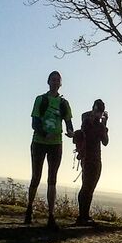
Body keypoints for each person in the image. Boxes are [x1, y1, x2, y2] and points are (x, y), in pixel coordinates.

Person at [26, 70, 74, 229]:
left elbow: (68, 122)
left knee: (52, 179)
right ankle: (29, 209)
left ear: (60, 83)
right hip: (39, 142)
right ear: (48, 82)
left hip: (56, 144)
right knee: (36, 177)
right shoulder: (41, 99)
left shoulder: (63, 103)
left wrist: (71, 132)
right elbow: (34, 122)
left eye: (57, 80)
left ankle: (51, 216)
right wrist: (44, 133)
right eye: (52, 80)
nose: (55, 82)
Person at [75, 99, 109, 225]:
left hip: (94, 158)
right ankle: (82, 216)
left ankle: (84, 215)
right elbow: (105, 141)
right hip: (89, 158)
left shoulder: (99, 125)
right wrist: (102, 124)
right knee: (87, 187)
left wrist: (104, 124)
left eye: (99, 112)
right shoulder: (87, 121)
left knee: (89, 187)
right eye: (97, 111)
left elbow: (105, 142)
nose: (98, 114)